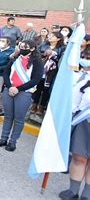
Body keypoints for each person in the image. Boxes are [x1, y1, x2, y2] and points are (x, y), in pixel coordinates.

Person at [0, 40, 44, 152]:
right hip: (9, 90)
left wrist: (18, 89)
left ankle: (12, 142)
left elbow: (36, 80)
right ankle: (3, 138)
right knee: (8, 116)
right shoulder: (15, 59)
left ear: (32, 48)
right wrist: (10, 86)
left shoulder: (37, 61)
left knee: (18, 119)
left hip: (24, 92)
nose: (22, 48)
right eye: (20, 46)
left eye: (25, 47)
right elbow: (6, 73)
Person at [58, 45, 89, 200]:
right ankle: (73, 190)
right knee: (79, 156)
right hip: (82, 121)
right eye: (85, 57)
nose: (85, 61)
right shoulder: (78, 76)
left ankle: (87, 194)